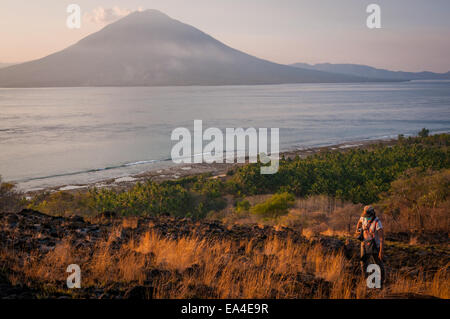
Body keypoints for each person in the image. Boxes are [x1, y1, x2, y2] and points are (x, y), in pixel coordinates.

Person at [355, 205, 385, 286]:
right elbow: (359, 223)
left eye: (368, 216)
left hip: (375, 245)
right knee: (363, 262)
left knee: (378, 263)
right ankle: (365, 280)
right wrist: (358, 231)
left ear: (372, 214)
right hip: (364, 243)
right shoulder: (363, 217)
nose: (366, 217)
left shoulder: (377, 222)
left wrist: (381, 251)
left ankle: (381, 282)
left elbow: (381, 238)